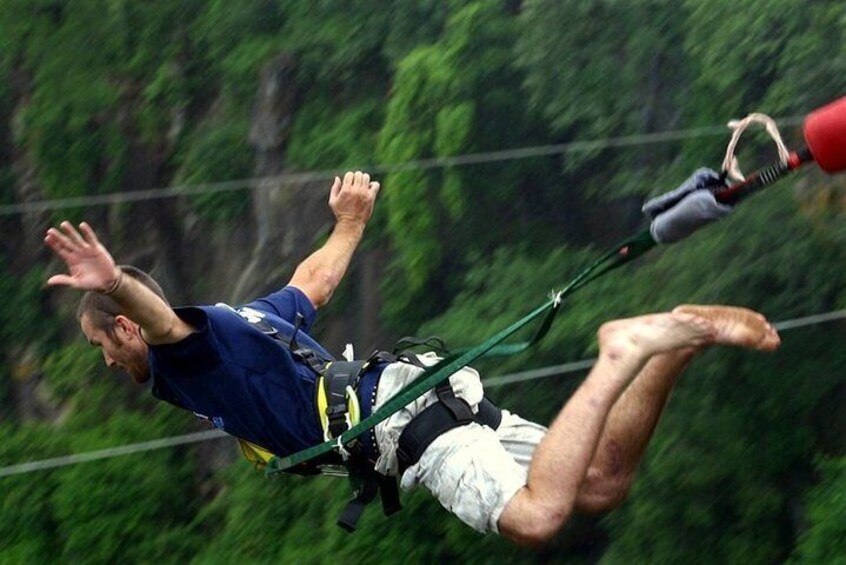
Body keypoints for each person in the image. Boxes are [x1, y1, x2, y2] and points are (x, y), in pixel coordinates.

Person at [44, 170, 780, 545]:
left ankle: (621, 350)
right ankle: (673, 342)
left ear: (127, 331)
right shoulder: (248, 319)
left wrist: (110, 283)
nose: (105, 362)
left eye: (101, 344)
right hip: (424, 395)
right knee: (602, 482)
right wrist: (351, 222)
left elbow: (164, 323)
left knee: (537, 516)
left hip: (408, 429)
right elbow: (314, 283)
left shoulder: (188, 354)